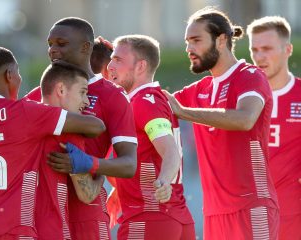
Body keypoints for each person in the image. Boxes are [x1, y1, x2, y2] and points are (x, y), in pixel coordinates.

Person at [0, 46, 105, 240]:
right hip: (8, 228)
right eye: (18, 73)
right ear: (9, 75)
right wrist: (101, 173)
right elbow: (96, 126)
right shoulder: (26, 113)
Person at [162, 7, 279, 240]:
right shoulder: (200, 89)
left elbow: (245, 119)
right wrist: (113, 66)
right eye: (187, 42)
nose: (189, 49)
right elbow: (153, 105)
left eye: (196, 40)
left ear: (221, 40)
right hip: (214, 214)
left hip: (252, 206)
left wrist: (185, 112)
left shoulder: (250, 76)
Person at [31, 17, 138, 239]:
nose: (53, 50)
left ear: (85, 47)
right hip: (42, 213)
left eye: (61, 44)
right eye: (50, 44)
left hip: (86, 214)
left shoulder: (113, 96)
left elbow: (129, 165)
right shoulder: (37, 95)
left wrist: (89, 164)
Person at [107, 34, 195, 240]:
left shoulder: (143, 102)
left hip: (149, 219)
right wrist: (121, 190)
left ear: (140, 67)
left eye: (118, 60)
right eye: (112, 58)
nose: (110, 65)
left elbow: (170, 150)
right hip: (174, 218)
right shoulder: (148, 100)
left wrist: (163, 181)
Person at [27, 62, 105, 240]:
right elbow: (87, 194)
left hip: (18, 230)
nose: (86, 102)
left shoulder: (20, 121)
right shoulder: (69, 133)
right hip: (53, 231)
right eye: (83, 92)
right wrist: (102, 173)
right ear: (61, 90)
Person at [247, 16, 301, 240]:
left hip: (294, 216)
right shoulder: (242, 98)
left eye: (267, 48)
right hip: (248, 215)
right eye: (255, 49)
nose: (260, 57)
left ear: (288, 49)